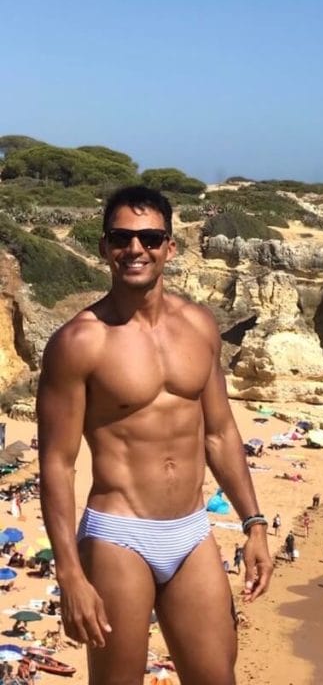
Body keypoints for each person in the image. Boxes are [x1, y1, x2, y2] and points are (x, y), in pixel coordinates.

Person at [37, 185, 273, 684]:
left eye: (149, 237)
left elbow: (220, 432)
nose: (135, 249)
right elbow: (57, 463)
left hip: (190, 531)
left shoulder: (199, 326)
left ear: (169, 246)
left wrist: (253, 521)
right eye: (121, 237)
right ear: (104, 247)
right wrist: (69, 574)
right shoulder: (79, 343)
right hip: (119, 536)